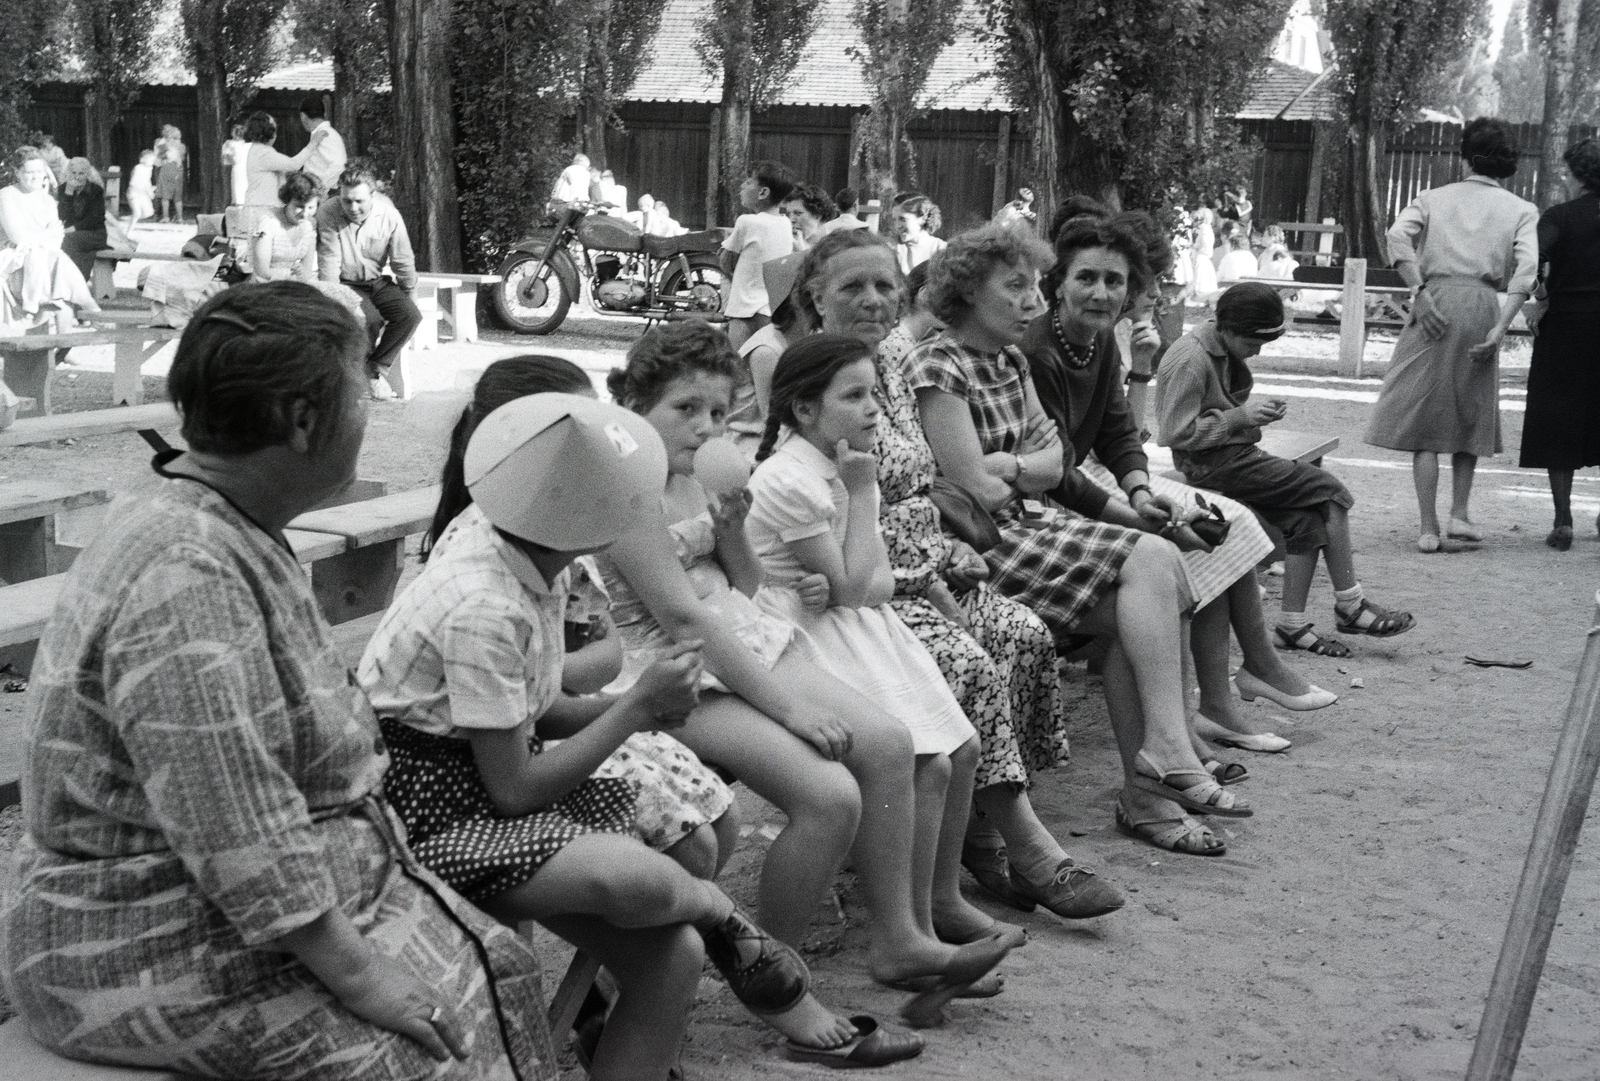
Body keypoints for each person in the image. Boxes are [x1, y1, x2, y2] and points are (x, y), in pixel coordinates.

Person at [1, 282, 558, 1080]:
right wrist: (363, 975)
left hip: (224, 904)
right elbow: (235, 826)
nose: (371, 406)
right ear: (303, 423)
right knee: (428, 1053)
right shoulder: (183, 569)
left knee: (497, 965)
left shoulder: (218, 519)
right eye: (361, 388)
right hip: (137, 935)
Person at [362, 381, 920, 1075]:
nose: (639, 512)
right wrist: (634, 710)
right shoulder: (486, 601)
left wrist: (648, 709)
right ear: (585, 512)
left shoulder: (528, 545)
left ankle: (700, 952)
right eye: (629, 497)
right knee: (647, 879)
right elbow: (512, 790)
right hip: (425, 818)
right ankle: (723, 917)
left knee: (674, 947)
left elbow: (539, 714)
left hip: (477, 780)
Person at [597, 320, 1014, 1024]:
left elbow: (747, 584)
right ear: (636, 401)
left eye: (718, 412)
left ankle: (903, 941)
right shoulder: (625, 490)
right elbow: (686, 622)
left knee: (884, 742)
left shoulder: (700, 469)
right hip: (675, 671)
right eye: (684, 409)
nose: (705, 427)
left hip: (745, 637)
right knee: (829, 794)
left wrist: (729, 534)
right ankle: (775, 978)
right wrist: (790, 711)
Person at [794, 228, 1124, 919]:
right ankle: (1027, 849)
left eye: (886, 284)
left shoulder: (889, 356)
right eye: (852, 286)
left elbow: (936, 481)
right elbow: (813, 502)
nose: (874, 299)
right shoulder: (805, 371)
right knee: (970, 660)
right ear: (814, 295)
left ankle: (977, 838)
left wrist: (944, 555)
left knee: (1022, 634)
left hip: (926, 565)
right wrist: (919, 574)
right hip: (850, 588)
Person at [909, 223, 1251, 856]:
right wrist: (1021, 466)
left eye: (1031, 286)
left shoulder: (1008, 360)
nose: (1029, 302)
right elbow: (975, 488)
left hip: (1033, 527)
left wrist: (1012, 465)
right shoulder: (938, 362)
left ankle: (1152, 785)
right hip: (982, 545)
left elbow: (1058, 458)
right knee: (1153, 559)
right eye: (1013, 288)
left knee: (1143, 597)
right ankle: (1165, 757)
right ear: (966, 293)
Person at [1025, 211, 1332, 756]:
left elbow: (1119, 432)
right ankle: (1191, 718)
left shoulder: (1094, 343)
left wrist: (1142, 491)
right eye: (1086, 278)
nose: (1100, 293)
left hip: (1093, 485)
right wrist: (1134, 511)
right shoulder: (1039, 351)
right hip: (1043, 500)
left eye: (1114, 281)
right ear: (1057, 282)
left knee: (1227, 526)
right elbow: (1059, 472)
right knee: (1175, 549)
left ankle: (1229, 694)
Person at [747, 333, 1001, 947]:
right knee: (926, 761)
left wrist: (855, 569)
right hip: (812, 636)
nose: (873, 411)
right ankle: (907, 929)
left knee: (956, 754)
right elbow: (858, 585)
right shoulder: (795, 480)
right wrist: (863, 500)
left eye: (876, 396)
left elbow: (874, 581)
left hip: (859, 622)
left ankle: (935, 904)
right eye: (854, 396)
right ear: (805, 409)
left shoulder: (842, 465)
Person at [1159, 282, 1414, 656]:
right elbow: (1175, 433)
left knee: (1304, 524)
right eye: (1252, 344)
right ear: (1227, 329)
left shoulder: (1220, 346)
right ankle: (1351, 605)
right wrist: (1239, 417)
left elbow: (1218, 414)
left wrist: (1248, 418)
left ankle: (1291, 627)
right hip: (1213, 466)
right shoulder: (1190, 359)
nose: (1257, 352)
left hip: (1232, 457)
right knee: (1330, 492)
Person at [1365, 117, 1538, 553]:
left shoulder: (1431, 198)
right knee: (1470, 410)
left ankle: (1429, 526)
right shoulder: (1521, 210)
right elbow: (1527, 272)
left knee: (1425, 416)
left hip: (1434, 302)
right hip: (1482, 305)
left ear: (1464, 156)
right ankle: (1460, 514)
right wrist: (1500, 327)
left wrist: (1418, 291)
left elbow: (1396, 238)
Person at [1521, 137, 1600, 550]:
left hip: (1567, 327)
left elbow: (1530, 258)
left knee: (1559, 418)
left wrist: (1541, 294)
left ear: (1577, 176)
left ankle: (1563, 518)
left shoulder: (1559, 216)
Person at [317, 158, 421, 401]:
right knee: (369, 319)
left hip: (376, 281)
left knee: (410, 316)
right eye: (347, 200)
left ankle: (373, 369)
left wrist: (410, 292)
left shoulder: (389, 216)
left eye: (359, 201)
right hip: (346, 284)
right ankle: (367, 378)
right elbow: (329, 261)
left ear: (372, 196)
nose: (353, 207)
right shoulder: (328, 213)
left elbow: (403, 259)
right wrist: (334, 300)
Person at [0, 148, 98, 328]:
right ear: (17, 173)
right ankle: (90, 306)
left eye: (40, 171)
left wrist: (41, 239)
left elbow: (57, 239)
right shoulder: (6, 195)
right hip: (11, 258)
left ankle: (64, 343)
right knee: (57, 267)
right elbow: (17, 237)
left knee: (56, 264)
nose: (36, 176)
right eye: (30, 172)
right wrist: (45, 236)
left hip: (44, 256)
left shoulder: (48, 201)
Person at [729, 253, 808, 453]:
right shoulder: (767, 350)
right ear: (796, 298)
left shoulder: (800, 339)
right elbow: (772, 421)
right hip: (749, 442)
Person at [720, 159, 797, 348]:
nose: (742, 186)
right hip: (770, 309)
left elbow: (725, 262)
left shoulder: (747, 222)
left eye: (748, 182)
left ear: (763, 192)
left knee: (737, 365)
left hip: (744, 310)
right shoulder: (785, 223)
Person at [241, 110, 329, 208]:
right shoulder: (263, 153)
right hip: (262, 206)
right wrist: (313, 143)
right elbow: (294, 165)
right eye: (273, 129)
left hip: (259, 204)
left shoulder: (257, 150)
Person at [249, 171, 320, 283]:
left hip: (294, 286)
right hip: (265, 286)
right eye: (299, 206)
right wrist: (291, 277)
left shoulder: (309, 227)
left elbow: (307, 273)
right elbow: (262, 272)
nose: (305, 213)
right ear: (287, 200)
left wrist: (300, 273)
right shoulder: (267, 222)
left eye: (311, 207)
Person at [57, 157, 107, 279]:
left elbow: (95, 219)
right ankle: (65, 280)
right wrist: (68, 193)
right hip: (70, 233)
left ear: (87, 174)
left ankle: (75, 280)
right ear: (68, 173)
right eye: (73, 173)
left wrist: (72, 229)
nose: (77, 177)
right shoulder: (63, 188)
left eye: (81, 173)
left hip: (94, 233)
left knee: (68, 240)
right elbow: (61, 216)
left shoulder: (95, 190)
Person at [298, 95, 349, 195]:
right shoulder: (320, 133)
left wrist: (320, 188)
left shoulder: (326, 134)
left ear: (303, 116)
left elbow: (339, 165)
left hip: (326, 195)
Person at [894, 195, 945, 274]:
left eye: (903, 219)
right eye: (894, 220)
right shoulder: (894, 248)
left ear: (922, 219)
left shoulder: (940, 249)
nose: (897, 226)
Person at [782, 182, 838, 250]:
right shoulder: (786, 244)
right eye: (787, 214)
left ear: (817, 215)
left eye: (798, 213)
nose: (790, 219)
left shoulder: (835, 247)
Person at [153, 124, 187, 222]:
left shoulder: (163, 145)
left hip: (167, 168)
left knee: (165, 196)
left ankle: (165, 217)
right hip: (178, 170)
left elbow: (158, 160)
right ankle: (180, 218)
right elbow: (182, 158)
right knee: (178, 197)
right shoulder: (182, 146)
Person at [221, 122, 251, 206]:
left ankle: (238, 204)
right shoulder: (248, 145)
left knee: (237, 189)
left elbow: (226, 160)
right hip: (247, 169)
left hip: (238, 169)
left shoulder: (230, 144)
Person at [126, 148, 156, 226]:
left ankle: (129, 218)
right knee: (137, 213)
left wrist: (150, 191)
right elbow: (133, 183)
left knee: (149, 213)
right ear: (143, 159)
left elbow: (147, 181)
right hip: (134, 193)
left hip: (143, 193)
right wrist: (146, 191)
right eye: (151, 160)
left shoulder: (149, 168)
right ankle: (128, 232)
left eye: (153, 160)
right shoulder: (138, 168)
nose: (153, 162)